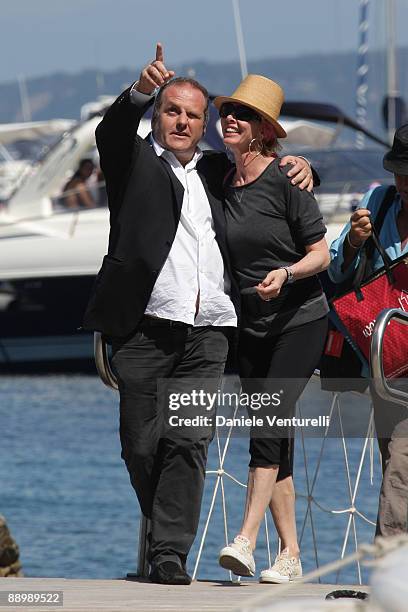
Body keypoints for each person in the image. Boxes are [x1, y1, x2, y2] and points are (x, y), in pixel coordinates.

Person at [83, 43, 315, 585]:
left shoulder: (215, 170)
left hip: (209, 329)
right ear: (158, 116)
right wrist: (140, 90)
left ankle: (170, 552)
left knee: (188, 443)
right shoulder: (133, 159)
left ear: (204, 123)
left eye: (193, 114)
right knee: (141, 444)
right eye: (172, 110)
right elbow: (109, 133)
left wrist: (302, 166)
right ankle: (162, 525)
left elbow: (265, 175)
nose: (183, 121)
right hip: (145, 326)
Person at [215, 75, 330, 582]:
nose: (230, 120)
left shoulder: (287, 179)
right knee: (273, 435)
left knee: (266, 422)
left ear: (264, 129)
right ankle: (290, 556)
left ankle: (245, 539)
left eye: (243, 114)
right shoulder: (220, 178)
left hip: (300, 320)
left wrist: (285, 274)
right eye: (226, 113)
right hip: (251, 325)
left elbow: (322, 254)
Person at [328, 123, 408, 537]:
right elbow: (338, 271)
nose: (405, 183)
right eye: (400, 172)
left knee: (401, 470)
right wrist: (356, 243)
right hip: (383, 364)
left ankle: (390, 577)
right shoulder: (378, 201)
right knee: (394, 463)